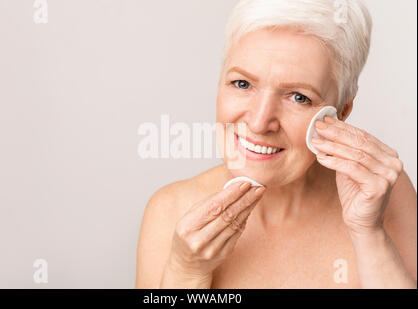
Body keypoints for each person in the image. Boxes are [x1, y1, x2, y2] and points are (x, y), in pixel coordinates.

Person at [136, 0, 417, 289]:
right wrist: (186, 272)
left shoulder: (385, 198)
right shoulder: (170, 211)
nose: (259, 123)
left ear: (342, 111)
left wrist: (369, 234)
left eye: (298, 97)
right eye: (242, 84)